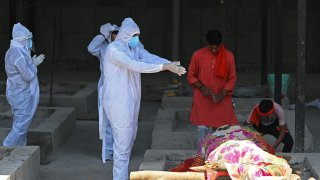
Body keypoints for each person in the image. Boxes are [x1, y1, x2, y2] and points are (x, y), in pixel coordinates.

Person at [103, 17, 186, 180]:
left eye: (138, 35)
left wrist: (169, 64)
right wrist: (163, 67)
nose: (137, 39)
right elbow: (135, 65)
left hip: (130, 102)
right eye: (134, 35)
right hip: (118, 103)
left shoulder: (133, 48)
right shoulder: (114, 50)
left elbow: (148, 57)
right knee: (122, 147)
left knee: (128, 142)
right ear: (126, 34)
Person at [187, 29, 238, 144]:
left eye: (217, 47)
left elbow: (232, 77)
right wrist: (202, 87)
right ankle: (201, 154)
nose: (214, 50)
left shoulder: (229, 56)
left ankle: (216, 155)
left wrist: (223, 93)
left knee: (220, 129)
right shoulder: (198, 55)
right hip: (202, 98)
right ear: (207, 44)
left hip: (221, 99)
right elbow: (191, 76)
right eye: (212, 48)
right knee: (202, 128)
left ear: (221, 44)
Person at [3, 23, 45, 146]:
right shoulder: (17, 54)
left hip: (19, 92)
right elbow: (27, 75)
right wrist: (34, 64)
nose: (30, 43)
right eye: (28, 40)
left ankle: (19, 152)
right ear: (23, 40)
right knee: (20, 127)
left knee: (21, 126)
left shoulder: (16, 50)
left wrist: (30, 63)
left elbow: (23, 70)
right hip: (20, 94)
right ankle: (6, 149)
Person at [87, 23, 119, 163]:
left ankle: (119, 152)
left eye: (118, 32)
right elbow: (91, 48)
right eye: (113, 33)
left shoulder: (123, 47)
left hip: (121, 88)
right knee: (107, 122)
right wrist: (102, 36)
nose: (116, 35)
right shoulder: (103, 47)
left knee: (120, 122)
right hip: (106, 87)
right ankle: (108, 153)